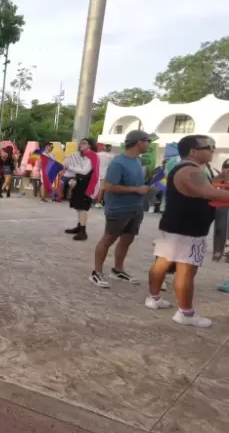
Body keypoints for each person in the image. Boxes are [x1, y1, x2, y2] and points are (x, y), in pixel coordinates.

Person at [146, 136, 229, 327]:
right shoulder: (191, 170)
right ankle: (185, 312)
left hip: (174, 225)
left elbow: (202, 188)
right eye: (210, 147)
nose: (213, 150)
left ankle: (154, 298)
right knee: (187, 269)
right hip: (189, 229)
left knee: (162, 262)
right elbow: (210, 193)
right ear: (193, 151)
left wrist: (217, 179)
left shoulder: (186, 169)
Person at [91, 130, 152, 288]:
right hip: (118, 208)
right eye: (148, 141)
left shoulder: (137, 161)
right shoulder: (119, 162)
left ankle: (118, 269)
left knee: (127, 239)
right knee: (108, 239)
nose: (149, 144)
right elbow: (109, 186)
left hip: (135, 208)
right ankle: (96, 272)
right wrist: (136, 190)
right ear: (139, 142)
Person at [64, 138, 99, 241]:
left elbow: (84, 171)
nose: (81, 144)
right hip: (81, 182)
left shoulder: (92, 156)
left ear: (90, 145)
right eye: (81, 142)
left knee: (83, 208)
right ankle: (80, 227)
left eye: (84, 143)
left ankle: (83, 232)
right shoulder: (83, 156)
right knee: (79, 206)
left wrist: (70, 167)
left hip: (87, 184)